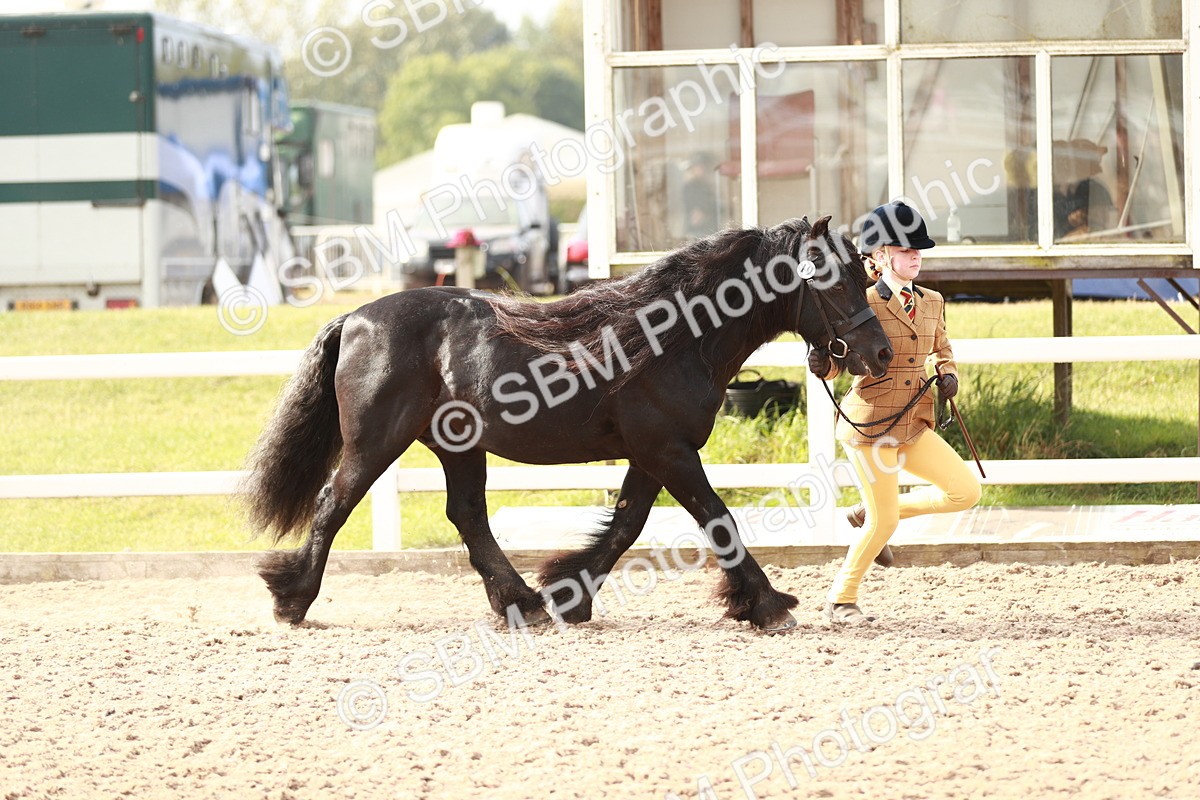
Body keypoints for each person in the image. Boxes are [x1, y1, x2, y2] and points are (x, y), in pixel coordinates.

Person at [807, 201, 982, 625]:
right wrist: (823, 365)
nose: (916, 256)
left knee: (965, 492)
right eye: (906, 250)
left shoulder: (933, 301)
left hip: (913, 422)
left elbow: (942, 349)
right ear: (881, 256)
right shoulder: (862, 303)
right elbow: (839, 363)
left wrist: (948, 373)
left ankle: (865, 511)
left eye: (918, 250)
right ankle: (841, 599)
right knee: (884, 523)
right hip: (870, 425)